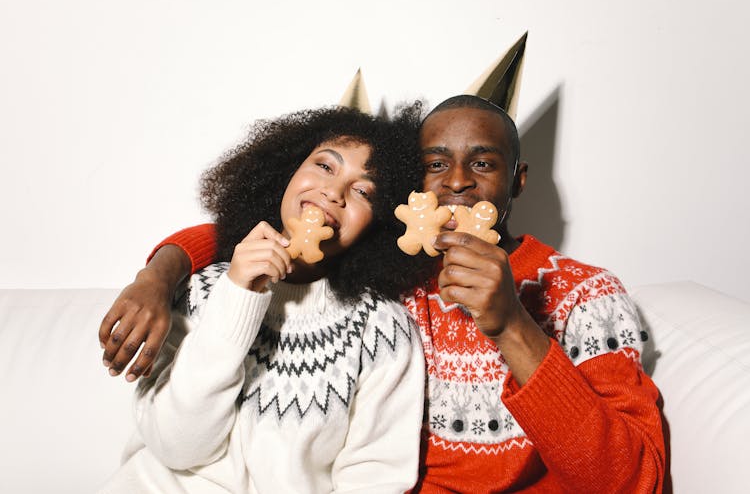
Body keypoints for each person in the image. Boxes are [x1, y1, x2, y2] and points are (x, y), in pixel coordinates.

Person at [100, 96, 666, 492]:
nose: (459, 181)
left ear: (517, 179)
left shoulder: (585, 293)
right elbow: (270, 239)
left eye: (484, 163)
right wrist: (161, 272)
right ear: (409, 191)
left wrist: (515, 326)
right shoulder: (396, 281)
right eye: (435, 165)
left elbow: (632, 482)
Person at [99, 105, 431, 493]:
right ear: (287, 171)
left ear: (380, 221)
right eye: (325, 166)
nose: (333, 192)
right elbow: (177, 448)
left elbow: (375, 479)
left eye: (362, 191)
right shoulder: (200, 289)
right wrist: (238, 295)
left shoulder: (383, 331)